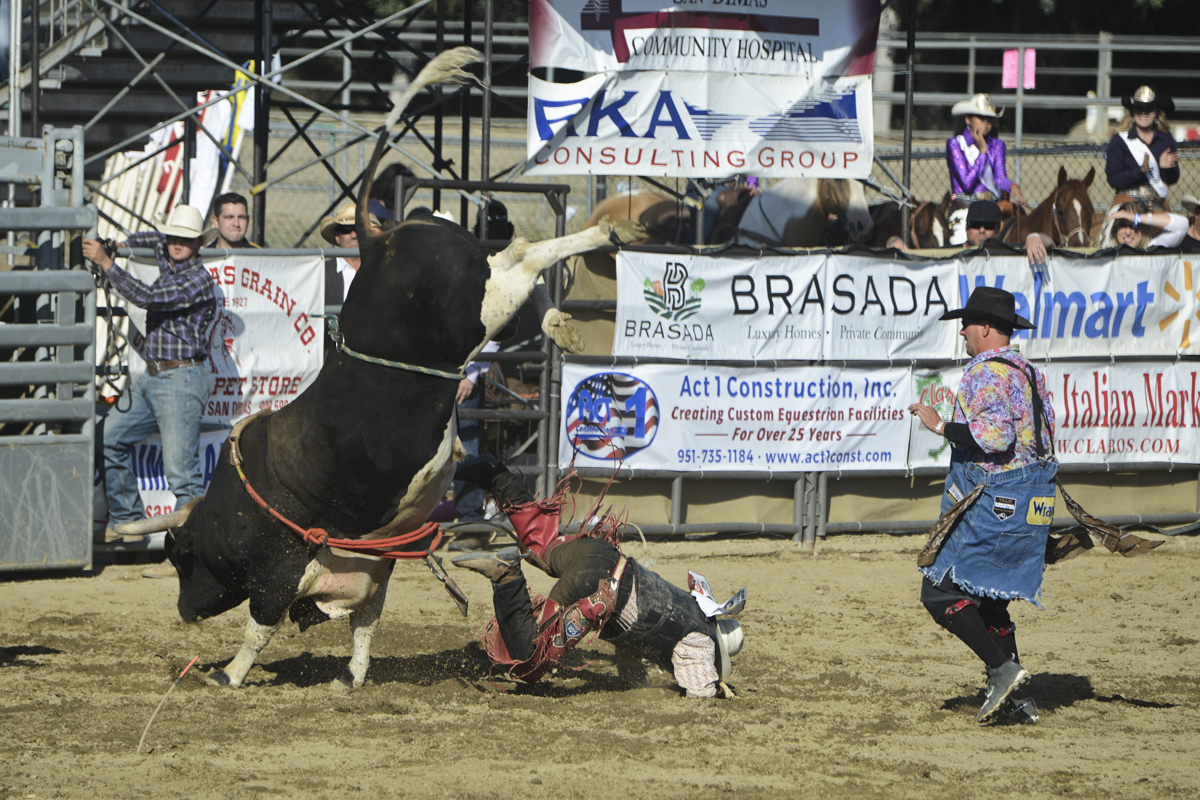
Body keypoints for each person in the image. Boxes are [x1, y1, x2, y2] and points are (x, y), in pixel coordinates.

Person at [451, 456, 744, 698]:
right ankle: (507, 576)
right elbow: (700, 692)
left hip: (602, 555)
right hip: (596, 587)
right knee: (532, 660)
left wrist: (639, 686)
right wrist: (718, 689)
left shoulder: (689, 605)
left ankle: (497, 476)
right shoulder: (701, 641)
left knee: (542, 547)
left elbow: (630, 654)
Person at [906, 287, 1054, 724]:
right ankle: (1016, 700)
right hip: (1034, 498)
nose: (963, 333)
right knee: (991, 599)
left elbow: (994, 438)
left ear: (985, 327)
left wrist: (941, 426)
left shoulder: (984, 373)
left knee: (940, 591)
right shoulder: (1027, 371)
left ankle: (1002, 669)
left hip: (998, 501)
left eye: (967, 325)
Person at [82, 205, 218, 578]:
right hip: (157, 376)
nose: (175, 243)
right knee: (109, 437)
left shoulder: (197, 280)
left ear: (196, 243)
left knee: (182, 473)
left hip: (179, 378)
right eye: (172, 237)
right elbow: (154, 240)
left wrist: (109, 262)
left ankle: (188, 558)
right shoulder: (172, 256)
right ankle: (127, 522)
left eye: (183, 239)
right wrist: (124, 243)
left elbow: (148, 297)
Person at [946, 94, 1026, 245]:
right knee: (958, 245)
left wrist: (1012, 186)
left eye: (989, 118)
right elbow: (967, 184)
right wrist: (982, 152)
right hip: (964, 208)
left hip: (991, 208)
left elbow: (999, 178)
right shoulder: (955, 144)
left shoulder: (997, 145)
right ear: (968, 120)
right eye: (981, 117)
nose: (986, 122)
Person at [1104, 85, 1179, 212]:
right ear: (1132, 112)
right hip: (1126, 201)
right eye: (1139, 108)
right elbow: (1113, 180)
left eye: (1149, 109)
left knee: (1180, 228)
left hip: (1157, 203)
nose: (1143, 113)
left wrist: (1165, 168)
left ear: (1157, 112)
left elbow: (1172, 179)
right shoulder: (1119, 141)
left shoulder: (1166, 138)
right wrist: (1140, 171)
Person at [320, 200, 380, 307]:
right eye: (346, 229)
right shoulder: (323, 272)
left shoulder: (379, 269)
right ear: (337, 236)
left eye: (358, 229)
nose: (353, 235)